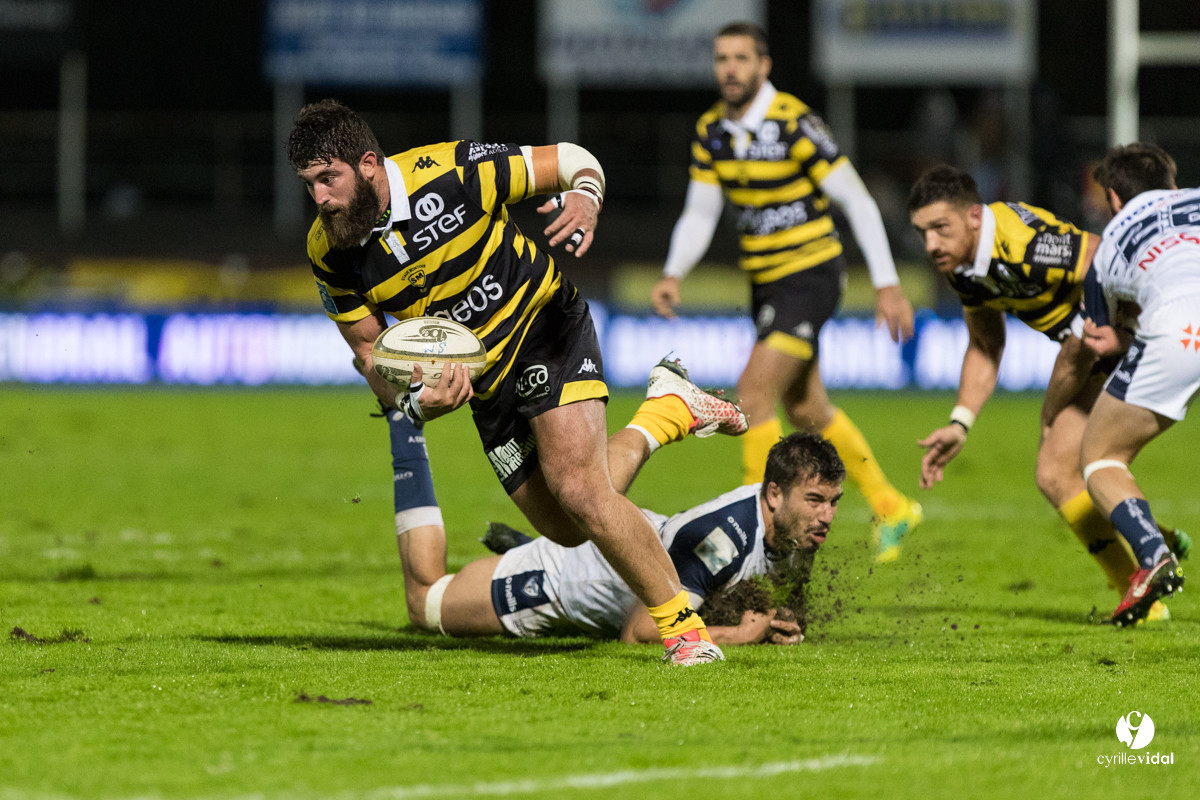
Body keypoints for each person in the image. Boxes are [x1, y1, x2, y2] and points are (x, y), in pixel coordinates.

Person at [287, 98, 749, 665]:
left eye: (328, 179)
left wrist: (585, 195)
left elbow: (573, 159)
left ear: (367, 164)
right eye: (309, 184)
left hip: (544, 325)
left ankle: (686, 634)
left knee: (581, 490)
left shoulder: (454, 172)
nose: (320, 198)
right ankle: (668, 410)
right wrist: (415, 400)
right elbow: (369, 354)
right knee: (569, 528)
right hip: (485, 384)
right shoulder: (327, 251)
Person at [650, 21, 921, 563]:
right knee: (807, 408)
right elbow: (702, 210)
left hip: (811, 274)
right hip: (767, 283)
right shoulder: (711, 130)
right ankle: (892, 506)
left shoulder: (794, 122)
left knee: (751, 396)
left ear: (763, 65)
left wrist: (888, 284)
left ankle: (753, 538)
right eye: (721, 58)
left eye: (740, 58)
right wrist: (674, 271)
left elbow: (859, 201)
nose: (729, 68)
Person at [908, 164, 1187, 620]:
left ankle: (1149, 566)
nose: (931, 244)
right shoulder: (962, 267)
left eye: (940, 228)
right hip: (1096, 351)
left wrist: (1100, 328)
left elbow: (1103, 255)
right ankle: (1152, 544)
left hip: (1128, 340)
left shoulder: (1025, 245)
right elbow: (985, 344)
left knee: (1063, 468)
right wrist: (961, 421)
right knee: (1058, 472)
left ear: (975, 217)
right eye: (923, 233)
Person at [417, 424, 843, 647]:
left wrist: (785, 626)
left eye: (833, 501)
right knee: (424, 603)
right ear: (773, 493)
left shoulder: (797, 528)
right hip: (558, 580)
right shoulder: (718, 543)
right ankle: (404, 427)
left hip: (633, 544)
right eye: (814, 500)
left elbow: (779, 603)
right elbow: (638, 631)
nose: (826, 515)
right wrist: (740, 635)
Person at [1079, 142, 1195, 626]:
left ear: (1112, 199)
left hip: (1180, 332)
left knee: (1100, 457)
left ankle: (1153, 554)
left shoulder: (1112, 239)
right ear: (1173, 183)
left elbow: (1104, 338)